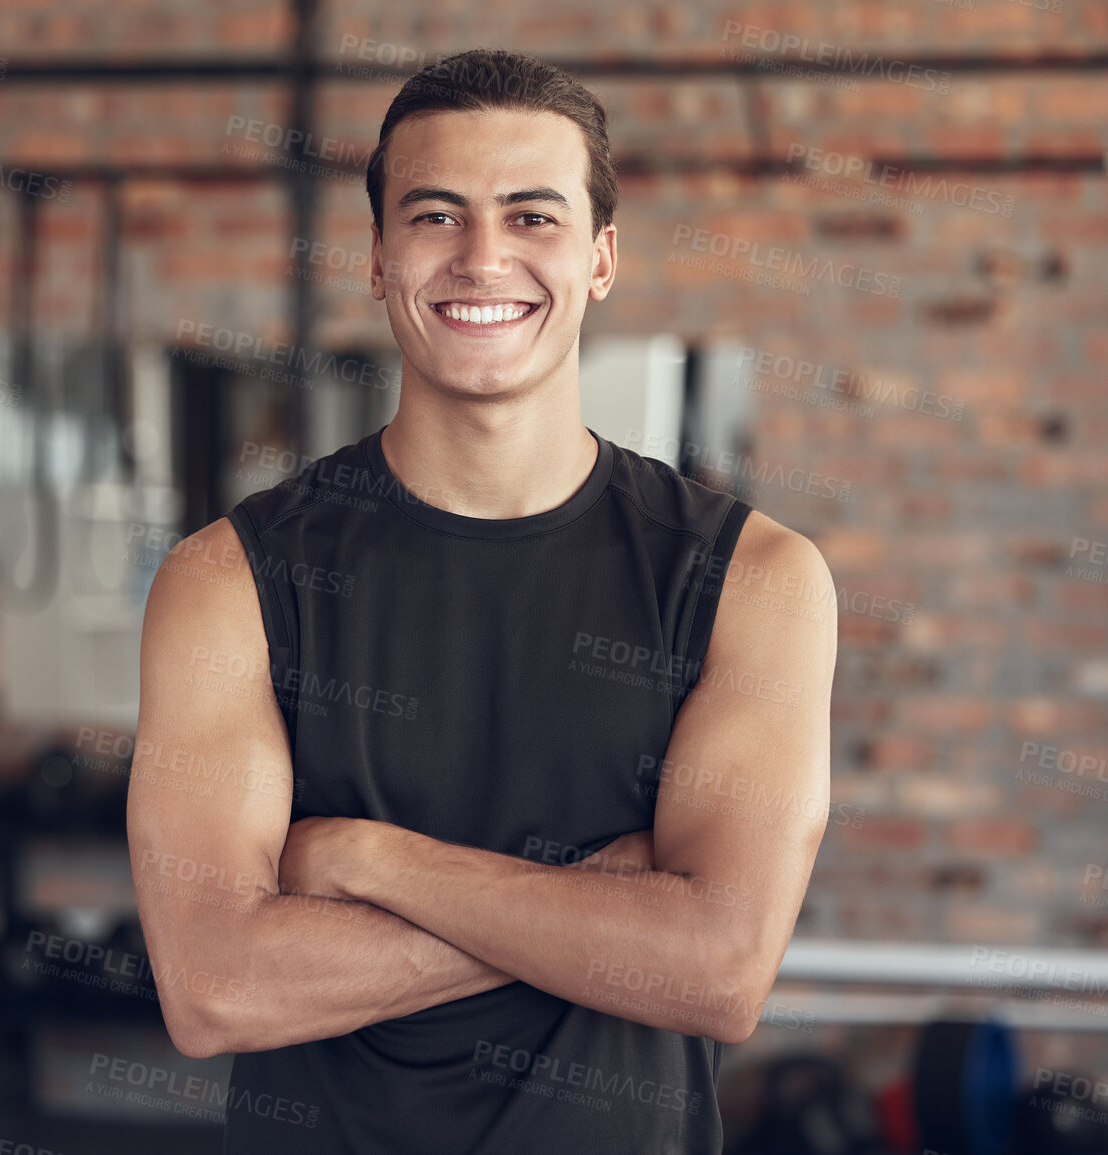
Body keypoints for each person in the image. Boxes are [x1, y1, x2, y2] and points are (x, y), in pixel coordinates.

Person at [127, 47, 836, 1154]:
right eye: (435, 215)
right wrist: (603, 905)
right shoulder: (228, 582)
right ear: (375, 257)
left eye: (533, 216)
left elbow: (717, 972)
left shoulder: (754, 581)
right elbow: (219, 987)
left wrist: (372, 864)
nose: (483, 257)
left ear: (601, 258)